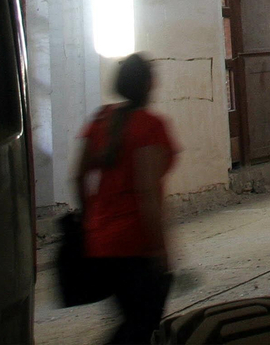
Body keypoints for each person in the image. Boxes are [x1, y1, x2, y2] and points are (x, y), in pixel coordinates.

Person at [74, 53, 179, 344]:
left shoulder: (99, 121)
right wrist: (160, 247)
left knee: (131, 321)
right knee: (141, 326)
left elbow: (77, 176)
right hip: (136, 243)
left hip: (101, 242)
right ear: (149, 84)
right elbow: (146, 191)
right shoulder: (149, 126)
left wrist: (90, 219)